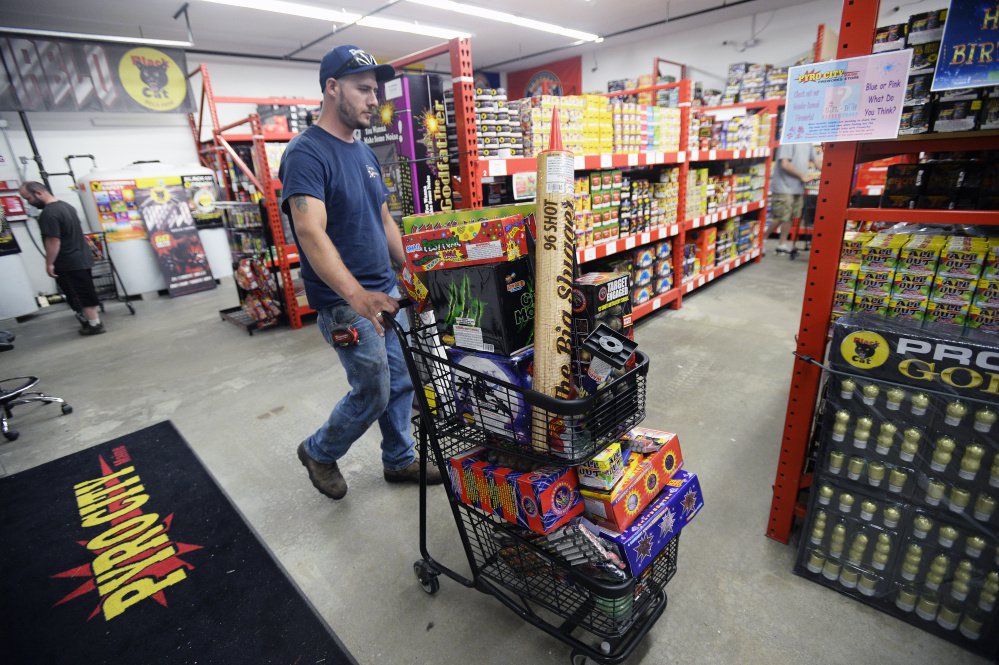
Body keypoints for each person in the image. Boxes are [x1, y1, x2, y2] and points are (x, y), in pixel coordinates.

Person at [279, 44, 442, 500]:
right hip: (347, 303)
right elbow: (310, 232)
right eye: (364, 89)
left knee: (402, 379)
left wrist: (412, 272)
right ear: (332, 88)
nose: (375, 99)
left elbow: (385, 219)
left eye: (376, 90)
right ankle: (319, 450)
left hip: (385, 291)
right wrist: (356, 297)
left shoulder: (365, 154)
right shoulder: (306, 154)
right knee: (372, 389)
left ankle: (399, 460)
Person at [20, 181, 105, 335]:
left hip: (68, 261)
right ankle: (93, 321)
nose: (29, 203)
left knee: (79, 294)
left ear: (38, 193)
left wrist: (49, 263)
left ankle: (94, 325)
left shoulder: (48, 214)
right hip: (81, 257)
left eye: (28, 198)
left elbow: (53, 240)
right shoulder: (67, 206)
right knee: (86, 291)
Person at [766, 143, 819, 254]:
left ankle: (781, 244)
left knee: (791, 217)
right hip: (783, 187)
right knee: (781, 217)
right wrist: (801, 175)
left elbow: (817, 161)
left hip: (797, 187)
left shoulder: (808, 143)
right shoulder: (788, 141)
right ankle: (761, 240)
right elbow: (784, 164)